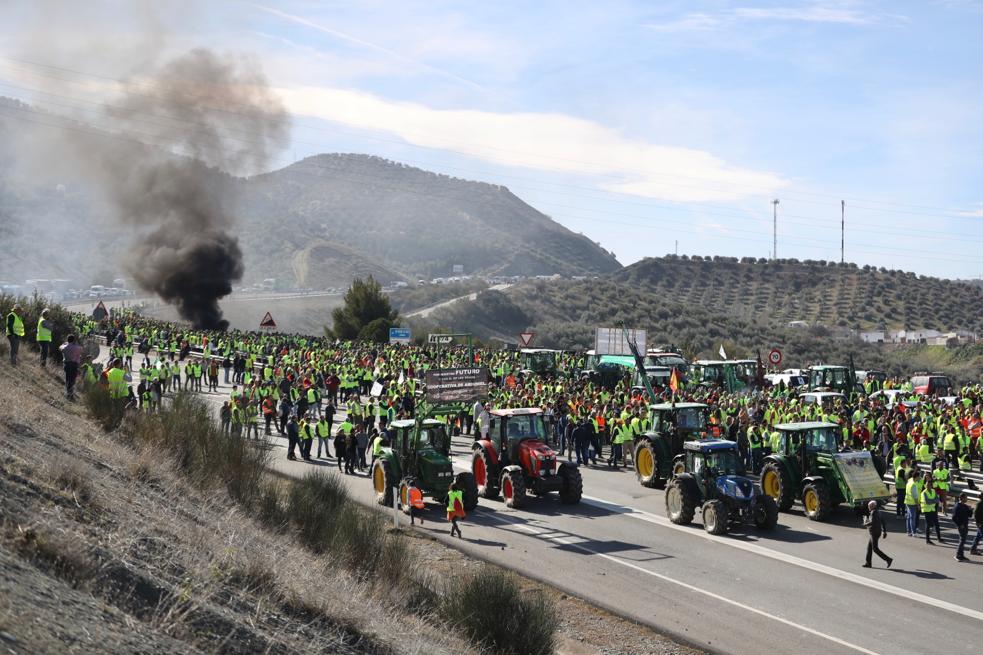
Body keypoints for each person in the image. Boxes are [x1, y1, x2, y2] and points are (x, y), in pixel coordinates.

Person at [862, 500, 892, 568]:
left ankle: (888, 559)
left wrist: (865, 524)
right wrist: (884, 531)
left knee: (875, 549)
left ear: (873, 506)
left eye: (869, 506)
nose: (868, 507)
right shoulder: (878, 512)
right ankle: (868, 563)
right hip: (877, 532)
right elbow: (883, 522)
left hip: (874, 532)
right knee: (869, 548)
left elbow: (872, 522)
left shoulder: (873, 512)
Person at [59, 334, 83, 399]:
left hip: (67, 364)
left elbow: (60, 347)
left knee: (68, 379)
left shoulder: (64, 347)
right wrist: (76, 344)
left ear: (68, 340)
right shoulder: (78, 348)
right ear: (74, 340)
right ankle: (70, 393)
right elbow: (81, 349)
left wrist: (65, 344)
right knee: (72, 379)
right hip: (74, 365)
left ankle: (68, 393)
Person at [920, 478, 942, 544]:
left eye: (929, 485)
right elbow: (927, 502)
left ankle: (939, 538)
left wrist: (932, 501)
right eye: (927, 485)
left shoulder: (933, 491)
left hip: (933, 509)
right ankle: (927, 540)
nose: (928, 486)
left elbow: (937, 500)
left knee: (937, 524)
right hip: (926, 510)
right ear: (925, 485)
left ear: (931, 485)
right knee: (928, 525)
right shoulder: (924, 492)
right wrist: (933, 500)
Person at [951, 493, 972, 561]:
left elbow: (970, 515)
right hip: (961, 526)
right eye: (965, 498)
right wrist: (960, 525)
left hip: (965, 525)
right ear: (962, 498)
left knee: (963, 541)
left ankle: (961, 555)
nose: (967, 499)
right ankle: (958, 555)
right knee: (962, 541)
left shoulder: (965, 506)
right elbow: (954, 518)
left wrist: (970, 510)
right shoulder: (957, 506)